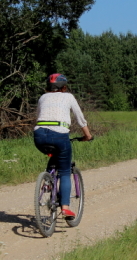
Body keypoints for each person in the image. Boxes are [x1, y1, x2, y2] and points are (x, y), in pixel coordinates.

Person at [33, 74, 92, 218]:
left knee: (54, 155)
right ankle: (65, 207)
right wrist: (87, 136)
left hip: (39, 135)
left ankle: (47, 182)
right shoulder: (68, 97)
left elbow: (39, 116)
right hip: (59, 135)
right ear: (64, 87)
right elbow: (80, 119)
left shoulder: (42, 97)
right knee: (65, 172)